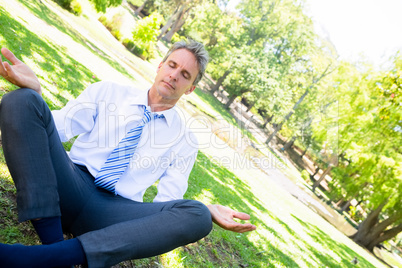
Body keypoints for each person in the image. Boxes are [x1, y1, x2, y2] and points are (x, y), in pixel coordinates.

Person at [0, 40, 256, 267]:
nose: (174, 75)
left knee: (199, 216)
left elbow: (166, 205)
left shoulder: (186, 140)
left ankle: (41, 258)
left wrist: (204, 207)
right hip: (67, 184)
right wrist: (37, 95)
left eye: (185, 74)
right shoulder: (108, 92)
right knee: (21, 101)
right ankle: (54, 252)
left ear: (190, 88)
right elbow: (57, 128)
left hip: (113, 213)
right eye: (172, 65)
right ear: (160, 66)